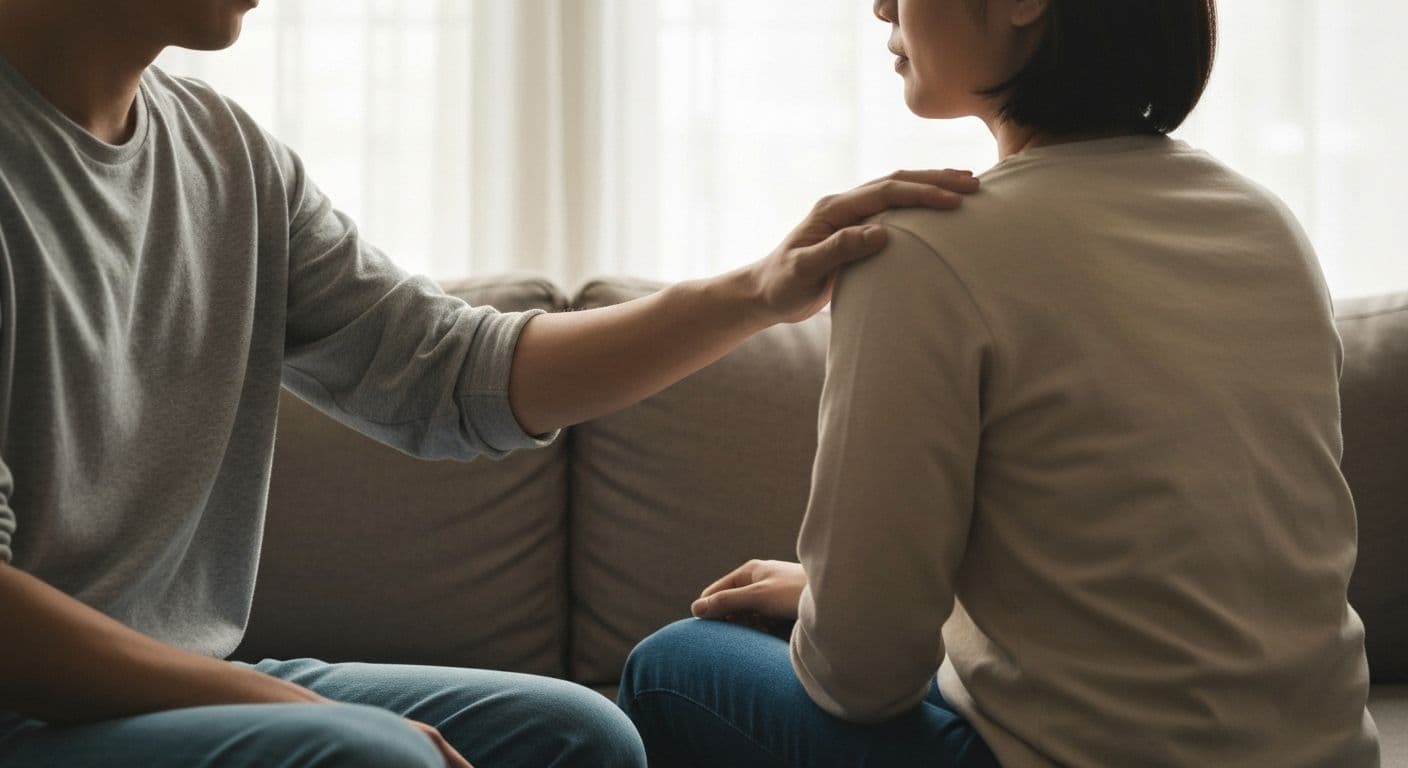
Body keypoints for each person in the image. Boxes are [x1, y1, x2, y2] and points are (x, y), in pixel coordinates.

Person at [0, 0, 982, 766]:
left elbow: (456, 373)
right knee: (362, 755)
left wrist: (756, 293)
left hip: (180, 686)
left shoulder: (224, 155)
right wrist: (279, 704)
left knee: (576, 738)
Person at [618, 0, 1382, 766]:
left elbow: (858, 679)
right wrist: (831, 599)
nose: (879, 4)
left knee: (672, 667)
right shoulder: (1267, 225)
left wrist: (839, 615)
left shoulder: (921, 252)